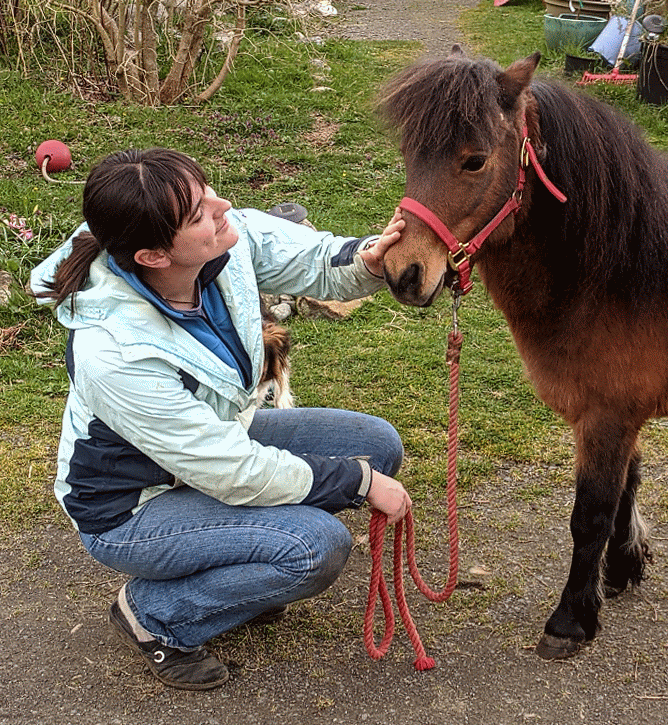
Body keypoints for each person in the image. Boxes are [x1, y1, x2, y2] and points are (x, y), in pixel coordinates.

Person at [30, 147, 412, 691]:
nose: (223, 205)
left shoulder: (219, 245)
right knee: (316, 546)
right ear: (155, 256)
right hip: (131, 509)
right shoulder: (114, 354)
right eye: (199, 213)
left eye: (207, 191)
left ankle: (242, 570)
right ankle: (156, 616)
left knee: (376, 445)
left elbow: (311, 261)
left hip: (211, 445)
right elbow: (233, 471)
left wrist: (371, 259)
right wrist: (357, 481)